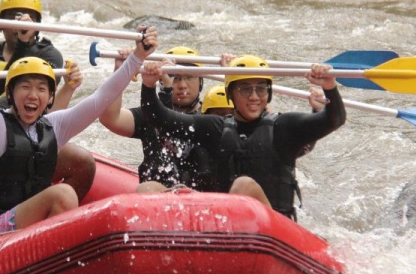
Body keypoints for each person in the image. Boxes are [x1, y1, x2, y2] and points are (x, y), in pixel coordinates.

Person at [0, 13, 157, 243]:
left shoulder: (54, 126)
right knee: (62, 195)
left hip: (24, 231)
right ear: (10, 93)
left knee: (69, 184)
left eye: (42, 89)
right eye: (25, 87)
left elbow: (100, 99)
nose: (33, 95)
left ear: (51, 97)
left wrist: (138, 57)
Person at [139, 55, 346, 220]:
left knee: (243, 185)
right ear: (231, 94)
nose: (254, 97)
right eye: (245, 89)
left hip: (274, 227)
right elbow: (161, 118)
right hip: (223, 226)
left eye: (261, 89)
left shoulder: (284, 127)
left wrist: (330, 87)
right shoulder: (216, 128)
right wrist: (149, 86)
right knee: (148, 189)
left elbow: (334, 119)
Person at [0, 0, 95, 201]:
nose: (21, 22)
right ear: (1, 23)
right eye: (13, 17)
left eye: (28, 17)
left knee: (83, 161)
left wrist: (24, 44)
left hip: (33, 131)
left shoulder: (49, 54)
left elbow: (41, 105)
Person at [99, 45, 211, 192]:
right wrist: (120, 73)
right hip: (158, 198)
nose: (183, 85)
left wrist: (231, 76)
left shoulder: (212, 116)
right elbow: (110, 118)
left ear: (200, 81)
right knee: (147, 188)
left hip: (204, 200)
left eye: (189, 77)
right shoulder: (150, 114)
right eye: (175, 77)